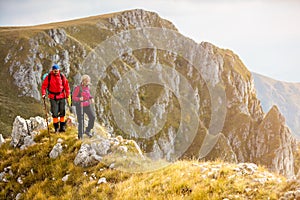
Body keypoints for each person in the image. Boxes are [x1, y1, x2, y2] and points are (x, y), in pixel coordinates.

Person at [41, 64, 70, 133]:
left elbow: (66, 86)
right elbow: (44, 86)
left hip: (62, 96)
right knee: (55, 113)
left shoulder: (62, 76)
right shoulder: (49, 77)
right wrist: (43, 94)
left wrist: (67, 95)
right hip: (53, 97)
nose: (56, 72)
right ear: (52, 70)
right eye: (55, 71)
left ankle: (62, 127)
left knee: (62, 112)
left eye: (57, 71)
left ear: (59, 70)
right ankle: (56, 128)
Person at [72, 74, 95, 139]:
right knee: (81, 121)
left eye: (88, 81)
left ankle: (88, 130)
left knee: (92, 117)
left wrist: (91, 98)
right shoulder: (78, 88)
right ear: (83, 81)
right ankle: (80, 136)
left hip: (87, 105)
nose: (88, 82)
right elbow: (74, 97)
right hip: (80, 106)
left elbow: (88, 94)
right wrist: (79, 99)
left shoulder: (87, 87)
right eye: (87, 81)